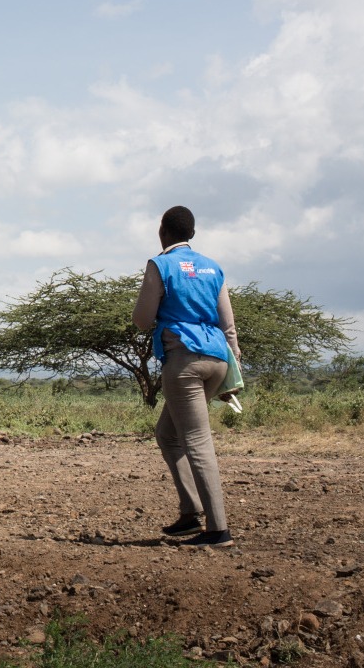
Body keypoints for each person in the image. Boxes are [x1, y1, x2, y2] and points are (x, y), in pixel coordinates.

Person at [132, 205, 240, 547]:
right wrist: (233, 366)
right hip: (218, 360)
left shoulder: (160, 264)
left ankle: (218, 529)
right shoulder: (213, 266)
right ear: (190, 233)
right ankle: (190, 512)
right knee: (168, 434)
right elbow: (229, 325)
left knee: (196, 440)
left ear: (163, 230)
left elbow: (142, 319)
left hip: (184, 363)